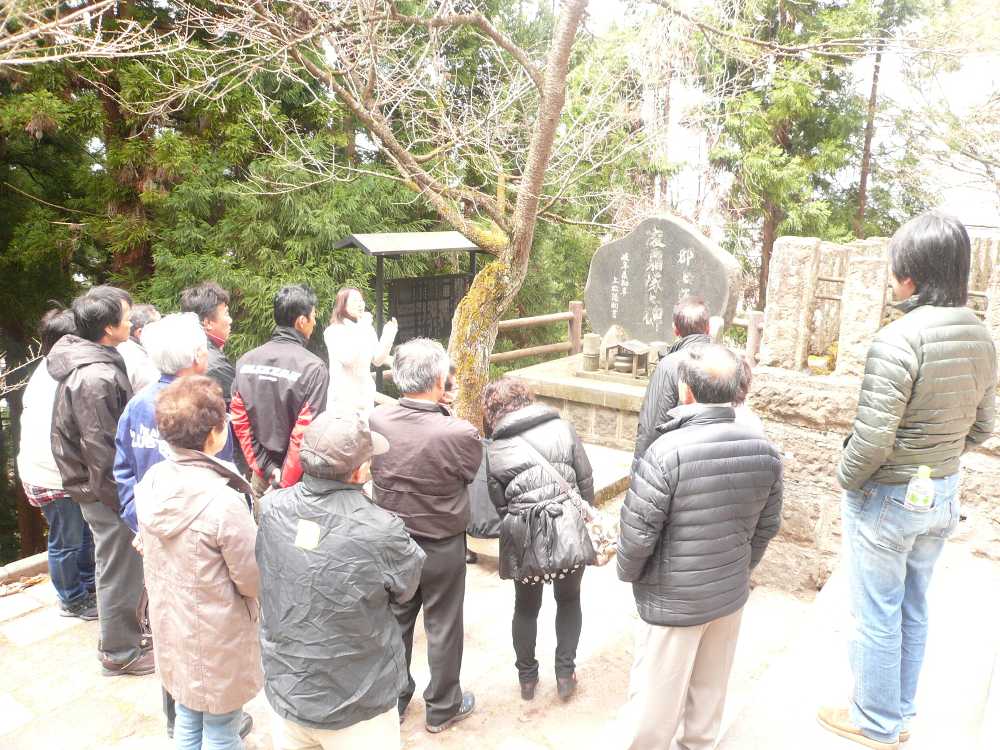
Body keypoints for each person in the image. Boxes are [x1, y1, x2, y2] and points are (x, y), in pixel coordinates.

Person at [817, 212, 997, 750]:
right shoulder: (982, 337)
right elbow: (983, 427)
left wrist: (846, 478)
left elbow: (871, 441)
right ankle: (898, 711)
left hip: (889, 496)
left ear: (912, 275)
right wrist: (938, 454)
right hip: (942, 491)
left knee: (876, 610)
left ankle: (874, 721)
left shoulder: (898, 339)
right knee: (914, 605)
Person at [616, 343, 784, 750]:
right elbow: (767, 527)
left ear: (686, 391)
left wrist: (630, 574)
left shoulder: (665, 452)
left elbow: (636, 537)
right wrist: (740, 568)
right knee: (709, 694)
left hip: (674, 600)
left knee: (655, 705)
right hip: (728, 595)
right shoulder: (764, 450)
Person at [113, 313, 252, 741]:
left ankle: (180, 721)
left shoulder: (139, 405)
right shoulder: (204, 412)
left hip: (159, 536)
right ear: (196, 356)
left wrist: (142, 524)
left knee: (176, 644)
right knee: (205, 659)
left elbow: (123, 473)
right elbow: (249, 571)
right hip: (199, 543)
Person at [257, 411, 426, 750]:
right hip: (360, 705)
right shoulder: (381, 529)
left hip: (288, 689)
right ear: (359, 471)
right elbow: (406, 589)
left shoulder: (271, 508)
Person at [134, 376, 261, 750]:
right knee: (222, 729)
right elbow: (252, 578)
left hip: (172, 623)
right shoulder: (223, 501)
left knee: (187, 713)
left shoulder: (153, 480)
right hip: (218, 632)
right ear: (213, 436)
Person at [369, 338, 483, 733]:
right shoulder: (459, 432)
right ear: (439, 380)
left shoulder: (378, 420)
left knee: (396, 623)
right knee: (444, 625)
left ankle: (396, 701)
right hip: (442, 543)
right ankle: (442, 707)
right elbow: (468, 473)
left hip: (393, 540)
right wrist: (445, 411)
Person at [48, 285, 153, 675]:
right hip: (103, 490)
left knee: (117, 565)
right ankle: (119, 652)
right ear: (108, 328)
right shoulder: (94, 377)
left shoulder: (99, 360)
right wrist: (125, 503)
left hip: (98, 487)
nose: (131, 320)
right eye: (126, 315)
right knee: (118, 568)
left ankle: (126, 635)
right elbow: (102, 453)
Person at [483, 377, 595, 702]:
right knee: (569, 599)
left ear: (493, 412)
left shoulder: (496, 449)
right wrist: (582, 520)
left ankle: (527, 679)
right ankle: (565, 673)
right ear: (526, 399)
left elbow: (500, 504)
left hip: (524, 533)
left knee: (526, 607)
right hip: (567, 525)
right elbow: (585, 480)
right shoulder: (562, 428)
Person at [17, 308, 96, 620]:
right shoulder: (56, 377)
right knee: (67, 540)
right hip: (52, 476)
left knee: (82, 534)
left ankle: (87, 586)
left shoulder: (52, 368)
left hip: (64, 473)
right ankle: (71, 599)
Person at [231, 284, 329, 497]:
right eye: (313, 316)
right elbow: (305, 432)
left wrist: (266, 468)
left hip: (261, 476)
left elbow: (241, 423)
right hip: (298, 485)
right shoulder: (313, 368)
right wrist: (283, 481)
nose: (314, 322)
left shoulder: (245, 361)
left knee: (258, 519)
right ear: (301, 321)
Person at [633, 295, 712, 462]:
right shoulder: (728, 363)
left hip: (679, 462)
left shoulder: (670, 365)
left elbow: (653, 425)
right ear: (708, 327)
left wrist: (640, 467)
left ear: (676, 329)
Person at [323, 287, 397, 418]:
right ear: (343, 305)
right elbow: (349, 359)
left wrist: (388, 336)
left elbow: (377, 360)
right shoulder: (333, 331)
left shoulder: (366, 329)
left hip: (366, 400)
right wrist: (362, 328)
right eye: (355, 301)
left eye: (361, 300)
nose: (360, 304)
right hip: (343, 404)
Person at [180, 282, 236, 405]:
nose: (230, 320)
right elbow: (233, 407)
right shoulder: (216, 366)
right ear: (207, 323)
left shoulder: (178, 351)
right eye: (226, 313)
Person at [117, 303, 161, 392]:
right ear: (140, 332)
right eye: (159, 328)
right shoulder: (139, 362)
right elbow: (155, 392)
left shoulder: (121, 345)